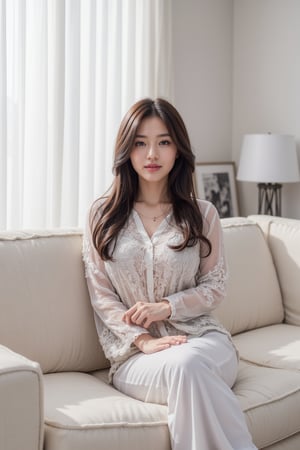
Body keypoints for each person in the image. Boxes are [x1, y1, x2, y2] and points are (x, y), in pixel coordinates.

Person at [83, 98, 257, 450]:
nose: (152, 154)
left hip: (205, 342)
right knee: (185, 367)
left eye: (163, 142)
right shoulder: (101, 215)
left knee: (191, 361)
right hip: (136, 358)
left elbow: (215, 286)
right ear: (126, 150)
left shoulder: (202, 214)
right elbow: (101, 295)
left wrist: (167, 306)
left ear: (178, 150)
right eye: (140, 143)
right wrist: (143, 340)